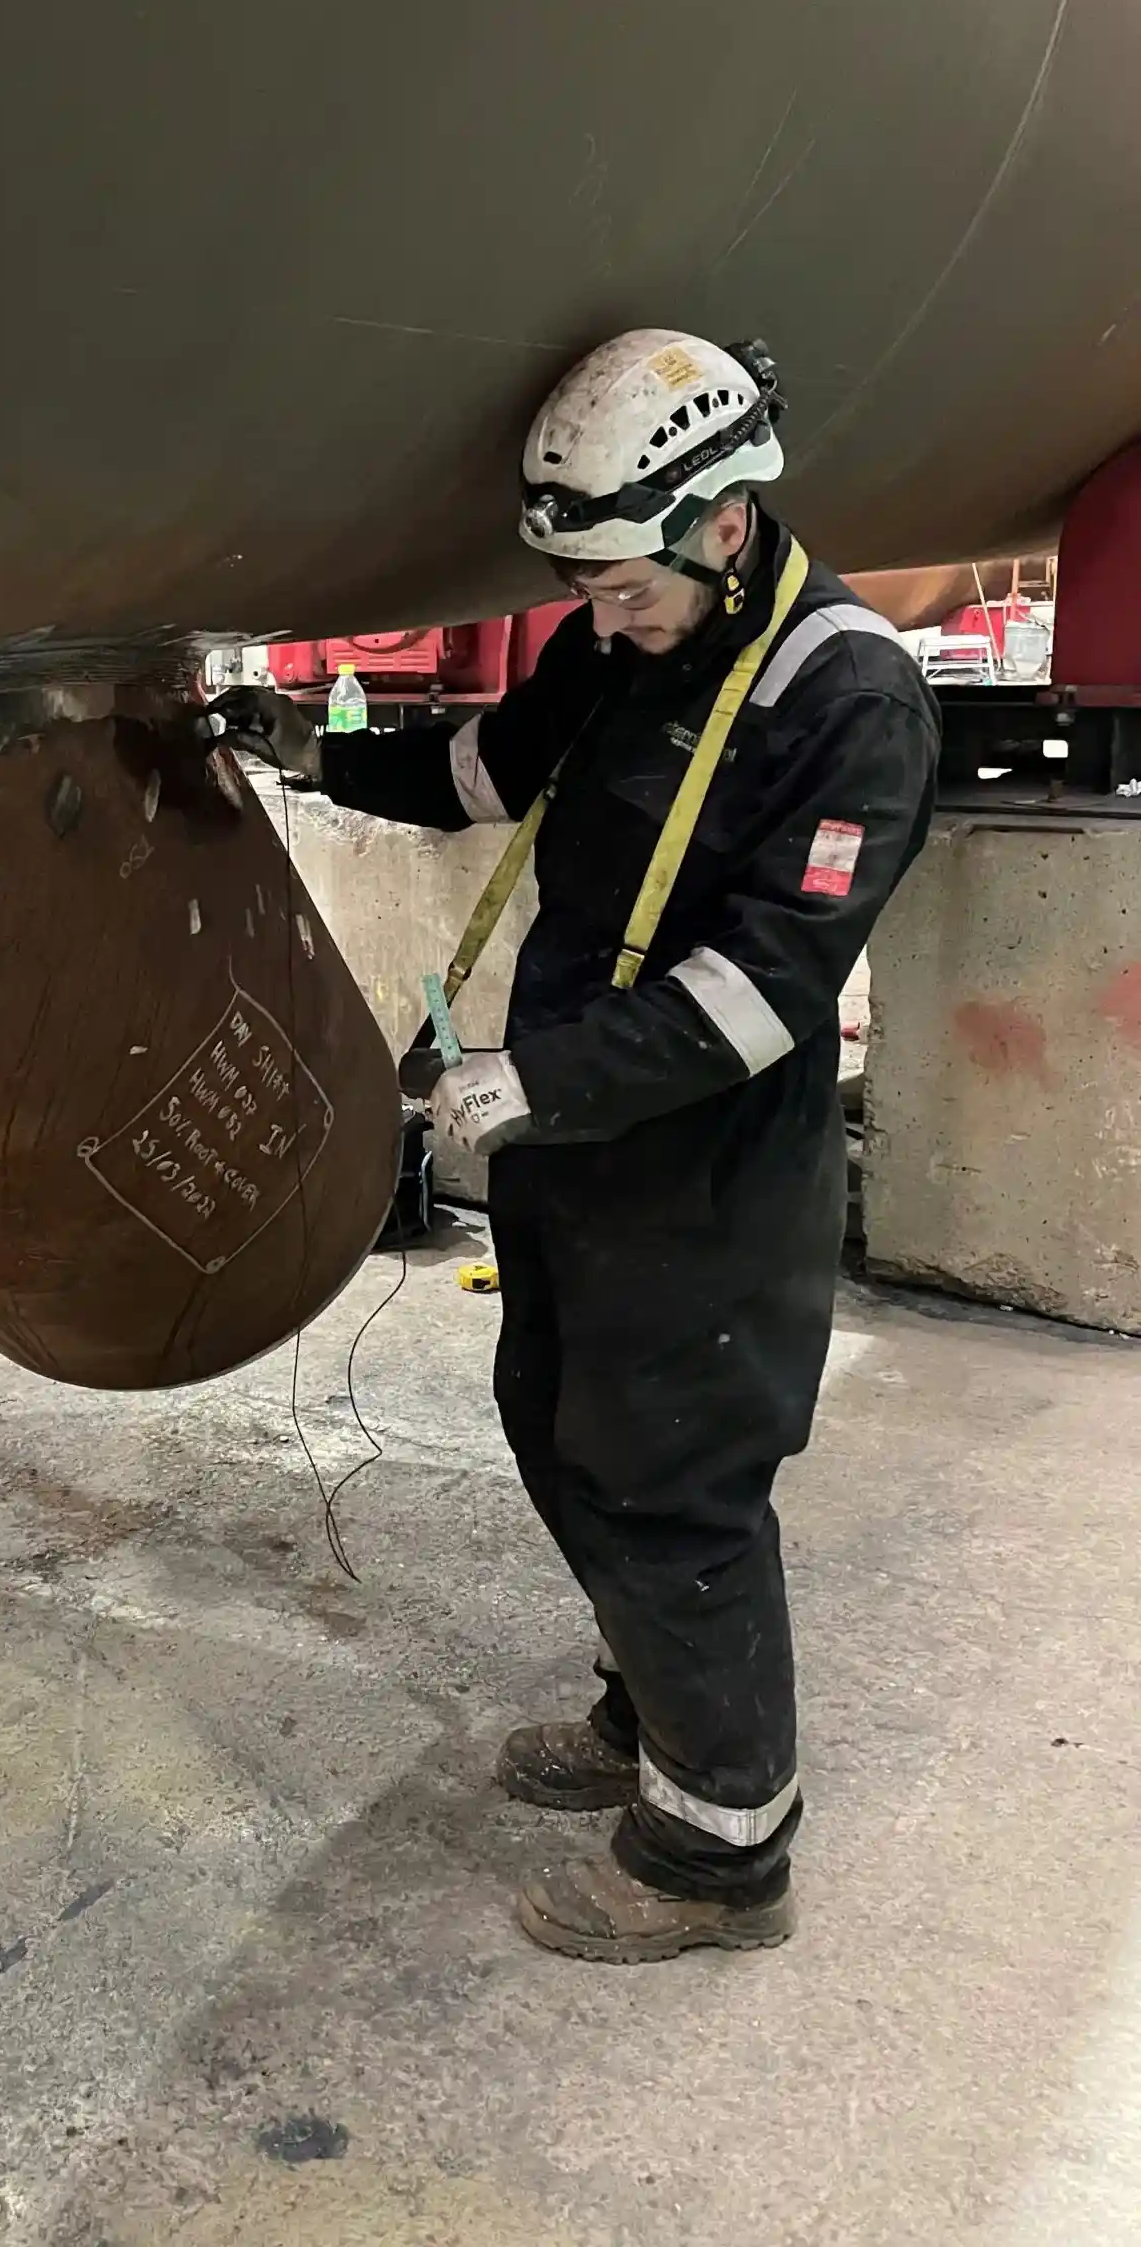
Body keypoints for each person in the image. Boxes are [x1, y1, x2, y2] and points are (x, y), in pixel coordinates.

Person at [212, 330, 940, 1962]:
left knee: (675, 1481)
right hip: (582, 1142)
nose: (600, 618)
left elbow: (771, 987)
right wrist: (296, 747)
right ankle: (651, 1717)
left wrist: (534, 1080)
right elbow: (486, 767)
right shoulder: (630, 639)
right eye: (587, 586)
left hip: (707, 1165)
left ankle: (719, 1854)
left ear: (728, 524)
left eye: (625, 586)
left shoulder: (852, 700)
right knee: (558, 1420)